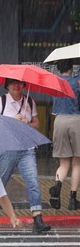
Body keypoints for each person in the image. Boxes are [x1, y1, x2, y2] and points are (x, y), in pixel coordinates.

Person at [0, 78, 51, 234]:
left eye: (19, 83)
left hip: (27, 149)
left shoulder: (29, 101)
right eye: (12, 83)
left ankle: (37, 219)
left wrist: (27, 122)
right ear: (7, 86)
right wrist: (12, 120)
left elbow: (37, 123)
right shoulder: (1, 101)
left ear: (24, 85)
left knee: (33, 182)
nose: (16, 85)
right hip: (7, 148)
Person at [49, 59, 80, 210]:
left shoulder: (55, 82)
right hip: (75, 120)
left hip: (59, 120)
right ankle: (73, 200)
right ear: (71, 68)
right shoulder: (77, 82)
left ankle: (57, 187)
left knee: (63, 163)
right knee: (76, 163)